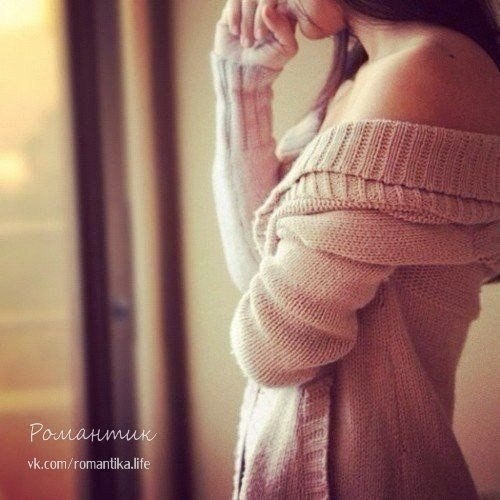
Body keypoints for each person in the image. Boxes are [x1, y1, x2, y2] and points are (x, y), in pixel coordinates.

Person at [209, 0, 500, 498]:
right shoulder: (363, 79)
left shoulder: (425, 69)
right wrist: (242, 86)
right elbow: (255, 268)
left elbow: (274, 350)